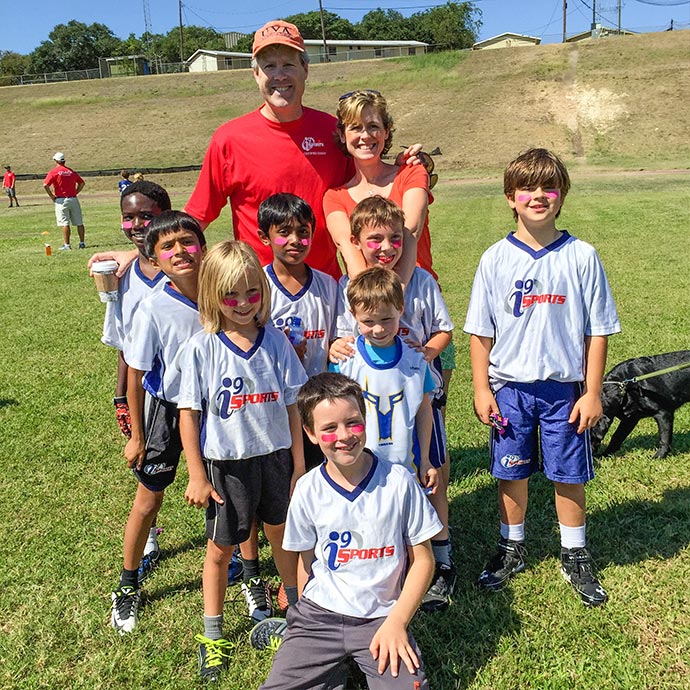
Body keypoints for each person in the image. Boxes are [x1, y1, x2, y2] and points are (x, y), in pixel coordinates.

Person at [87, 20, 421, 278]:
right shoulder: (229, 139)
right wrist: (142, 252)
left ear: (305, 69)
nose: (280, 76)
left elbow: (366, 184)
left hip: (325, 287)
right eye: (269, 66)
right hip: (255, 290)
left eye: (289, 64)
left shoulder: (332, 131)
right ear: (255, 73)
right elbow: (197, 216)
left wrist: (407, 165)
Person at [463, 148, 620, 607]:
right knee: (511, 474)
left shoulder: (582, 256)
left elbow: (597, 332)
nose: (538, 196)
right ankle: (511, 547)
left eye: (547, 187)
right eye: (526, 188)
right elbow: (480, 333)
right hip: (510, 389)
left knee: (568, 474)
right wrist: (480, 388)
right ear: (510, 197)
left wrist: (592, 392)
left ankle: (575, 552)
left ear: (562, 194)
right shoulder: (495, 259)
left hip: (564, 391)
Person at [253, 372, 442, 690]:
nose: (344, 435)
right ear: (310, 434)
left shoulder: (398, 482)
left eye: (352, 422)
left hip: (380, 618)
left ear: (365, 419)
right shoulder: (307, 489)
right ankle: (320, 660)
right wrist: (301, 619)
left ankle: (343, 664)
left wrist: (397, 621)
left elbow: (424, 560)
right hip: (318, 617)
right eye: (329, 428)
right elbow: (305, 562)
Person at [177, 240, 307, 682]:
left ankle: (298, 617)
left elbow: (293, 405)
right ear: (212, 294)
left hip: (275, 459)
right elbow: (189, 414)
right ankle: (213, 636)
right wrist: (196, 473)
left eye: (252, 292)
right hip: (226, 465)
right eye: (231, 295)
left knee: (284, 537)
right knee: (220, 549)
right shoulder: (201, 347)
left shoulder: (275, 341)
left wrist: (300, 465)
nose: (243, 303)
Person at [331, 197, 455, 612]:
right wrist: (335, 345)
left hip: (416, 393)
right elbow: (337, 337)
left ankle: (441, 555)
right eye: (375, 238)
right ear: (357, 242)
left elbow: (442, 331)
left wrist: (424, 354)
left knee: (429, 474)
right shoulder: (350, 287)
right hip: (371, 400)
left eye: (395, 238)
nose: (386, 246)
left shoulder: (421, 280)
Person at [110, 211, 207, 634]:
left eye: (188, 241)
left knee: (226, 490)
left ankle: (248, 569)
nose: (180, 251)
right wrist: (136, 434)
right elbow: (134, 373)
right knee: (148, 499)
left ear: (203, 245)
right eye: (167, 246)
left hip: (217, 406)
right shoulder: (152, 306)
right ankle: (128, 584)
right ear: (153, 255)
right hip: (167, 411)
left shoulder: (223, 290)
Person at [101, 181, 171, 580]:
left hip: (192, 391)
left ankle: (230, 547)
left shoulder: (188, 264)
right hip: (141, 393)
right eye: (129, 217)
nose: (138, 224)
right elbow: (124, 345)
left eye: (147, 215)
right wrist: (121, 400)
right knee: (148, 476)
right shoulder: (121, 277)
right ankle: (148, 542)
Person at [331, 267, 438, 494]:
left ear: (401, 309)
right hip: (357, 471)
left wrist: (426, 459)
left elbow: (424, 409)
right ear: (353, 315)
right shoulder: (345, 360)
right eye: (368, 321)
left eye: (386, 319)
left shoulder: (415, 360)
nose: (378, 329)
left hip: (404, 468)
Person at [323, 89, 436, 283]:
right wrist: (378, 302)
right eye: (356, 127)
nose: (365, 136)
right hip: (368, 300)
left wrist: (397, 292)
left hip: (418, 296)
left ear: (386, 131)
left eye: (373, 126)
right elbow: (350, 253)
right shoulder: (334, 197)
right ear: (342, 135)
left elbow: (411, 234)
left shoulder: (411, 174)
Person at [43, 152, 86, 250]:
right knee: (79, 222)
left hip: (61, 200)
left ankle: (67, 245)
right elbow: (82, 183)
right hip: (73, 198)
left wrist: (51, 196)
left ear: (56, 161)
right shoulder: (71, 171)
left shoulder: (54, 172)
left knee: (65, 223)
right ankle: (82, 243)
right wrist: (76, 192)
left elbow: (45, 185)